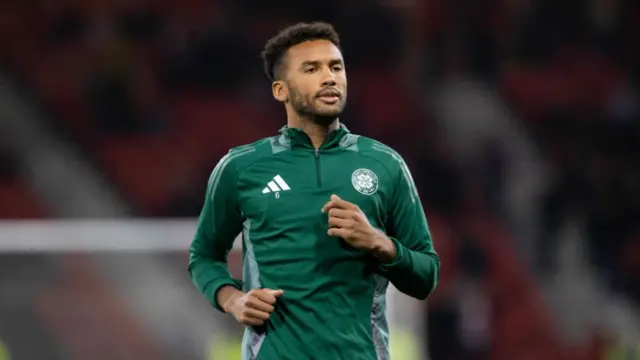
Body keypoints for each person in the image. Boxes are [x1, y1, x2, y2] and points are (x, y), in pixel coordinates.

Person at [188, 22, 440, 360]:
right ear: (281, 90)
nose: (330, 77)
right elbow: (204, 255)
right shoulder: (241, 167)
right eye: (312, 68)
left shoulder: (385, 165)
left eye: (336, 66)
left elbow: (426, 276)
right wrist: (233, 299)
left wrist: (379, 242)